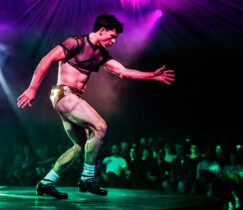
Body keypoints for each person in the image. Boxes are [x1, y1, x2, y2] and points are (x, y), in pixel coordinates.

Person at [17, 14, 175, 199]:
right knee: (100, 127)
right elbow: (47, 59)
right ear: (101, 31)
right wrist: (32, 88)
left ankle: (46, 182)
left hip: (70, 98)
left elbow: (122, 72)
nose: (114, 41)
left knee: (80, 146)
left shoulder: (100, 54)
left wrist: (151, 75)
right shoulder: (75, 43)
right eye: (112, 36)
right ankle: (87, 178)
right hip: (64, 94)